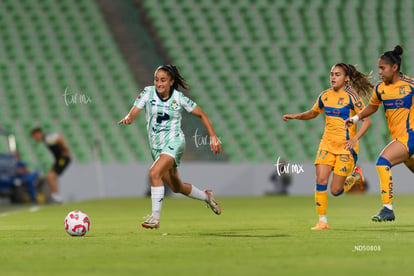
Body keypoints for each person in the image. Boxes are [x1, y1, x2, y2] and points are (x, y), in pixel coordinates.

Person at [119, 64, 222, 229]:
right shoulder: (148, 92)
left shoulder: (179, 98)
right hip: (157, 148)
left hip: (175, 142)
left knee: (154, 172)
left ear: (171, 82)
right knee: (176, 186)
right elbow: (134, 111)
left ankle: (155, 218)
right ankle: (206, 196)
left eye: (163, 80)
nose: (159, 83)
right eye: (156, 79)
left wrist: (213, 137)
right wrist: (129, 118)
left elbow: (202, 114)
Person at [283, 63, 373, 230]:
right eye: (331, 73)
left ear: (346, 78)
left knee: (336, 191)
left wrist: (355, 139)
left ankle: (355, 177)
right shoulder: (324, 96)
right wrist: (296, 116)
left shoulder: (352, 97)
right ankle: (322, 221)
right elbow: (313, 113)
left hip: (346, 147)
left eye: (337, 74)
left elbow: (367, 120)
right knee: (320, 180)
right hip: (327, 144)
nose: (332, 77)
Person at [345, 45, 414, 222]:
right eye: (379, 68)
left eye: (382, 68)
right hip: (400, 138)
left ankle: (387, 209)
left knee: (383, 162)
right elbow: (372, 108)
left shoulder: (410, 86)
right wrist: (355, 118)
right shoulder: (380, 89)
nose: (380, 72)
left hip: (409, 136)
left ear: (394, 67)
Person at [30, 127, 71, 203]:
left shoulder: (47, 138)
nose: (34, 138)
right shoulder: (45, 140)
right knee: (51, 176)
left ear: (39, 133)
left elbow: (59, 138)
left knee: (50, 176)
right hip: (59, 159)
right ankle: (56, 196)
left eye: (34, 136)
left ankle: (57, 197)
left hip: (62, 158)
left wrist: (65, 150)